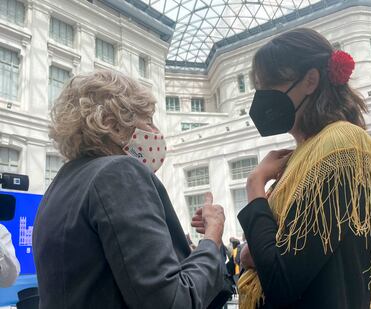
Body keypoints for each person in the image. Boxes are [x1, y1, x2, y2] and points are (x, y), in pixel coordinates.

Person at [236, 28, 371, 309]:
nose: (261, 97)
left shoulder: (341, 145)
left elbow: (280, 278)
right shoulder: (308, 154)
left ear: (310, 80)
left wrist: (255, 186)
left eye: (268, 85)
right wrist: (252, 251)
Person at [33, 70, 226, 309]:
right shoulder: (119, 171)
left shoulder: (60, 185)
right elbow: (174, 302)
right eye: (148, 121)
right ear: (111, 124)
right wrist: (212, 239)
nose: (156, 133)